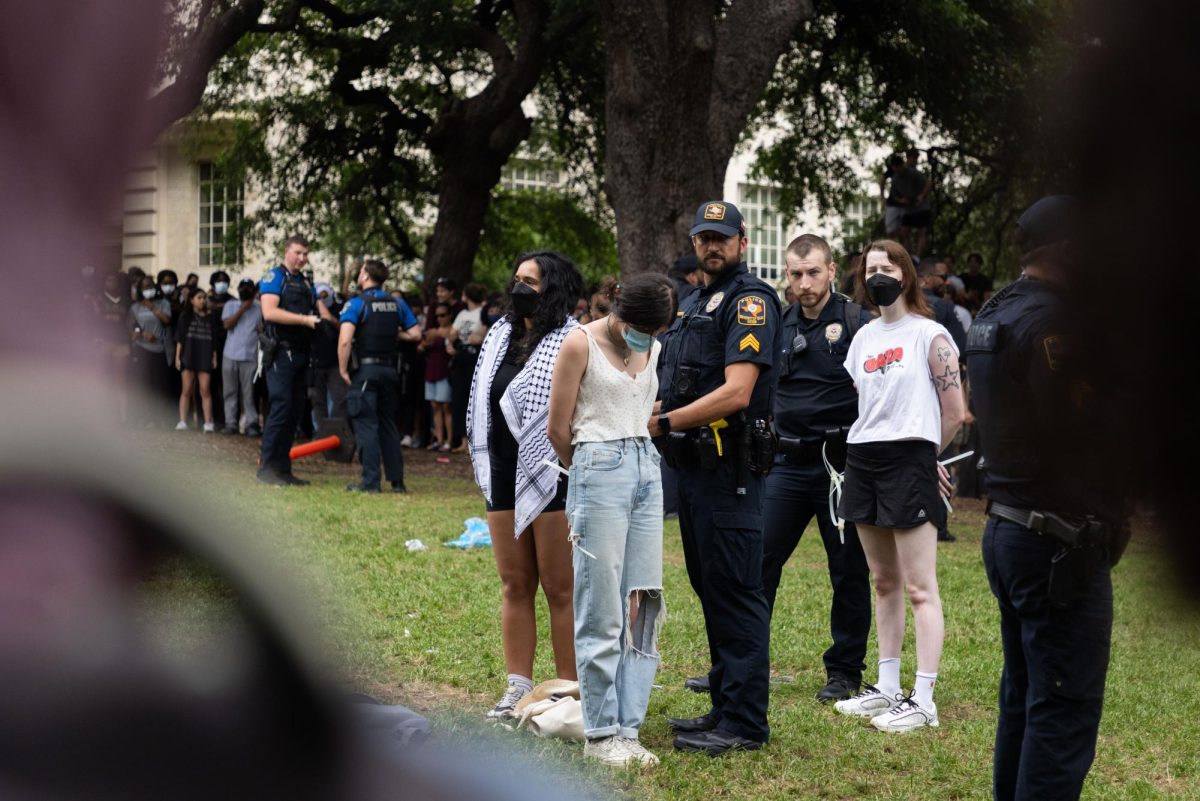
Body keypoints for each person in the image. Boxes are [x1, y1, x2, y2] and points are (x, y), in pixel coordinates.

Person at [969, 196, 1129, 801]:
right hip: (1058, 539)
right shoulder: (1057, 325)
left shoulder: (997, 310)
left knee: (1027, 698)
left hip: (1013, 527)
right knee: (1062, 713)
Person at [652, 200, 781, 756]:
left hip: (731, 471)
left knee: (737, 593)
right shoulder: (692, 302)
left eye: (722, 238)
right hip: (693, 472)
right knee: (712, 588)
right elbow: (676, 382)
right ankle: (725, 706)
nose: (712, 246)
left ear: (742, 242)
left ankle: (747, 724)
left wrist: (660, 422)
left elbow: (737, 392)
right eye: (705, 237)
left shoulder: (751, 302)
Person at [833, 239, 964, 732]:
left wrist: (927, 454)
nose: (878, 276)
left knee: (919, 587)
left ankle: (923, 699)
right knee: (883, 582)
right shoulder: (864, 337)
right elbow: (867, 406)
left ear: (906, 274)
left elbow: (954, 413)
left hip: (909, 460)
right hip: (862, 457)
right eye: (870, 270)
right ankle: (887, 688)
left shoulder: (931, 336)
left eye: (887, 267)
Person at [547, 273, 676, 768]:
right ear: (619, 309)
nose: (647, 337)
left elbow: (640, 410)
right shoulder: (579, 344)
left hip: (646, 466)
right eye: (641, 326)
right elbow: (559, 428)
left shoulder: (655, 348)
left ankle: (630, 725)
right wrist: (591, 469)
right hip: (596, 466)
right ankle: (601, 732)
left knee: (643, 600)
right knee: (601, 604)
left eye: (656, 329)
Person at [466, 251, 582, 720]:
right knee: (515, 583)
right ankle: (518, 687)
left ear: (553, 288)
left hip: (551, 471)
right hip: (501, 469)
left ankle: (568, 691)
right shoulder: (499, 335)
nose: (519, 289)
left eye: (530, 282)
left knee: (560, 588)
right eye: (516, 279)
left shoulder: (573, 339)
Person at [763, 234, 874, 704]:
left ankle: (845, 671)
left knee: (848, 570)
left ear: (832, 270)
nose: (804, 283)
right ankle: (742, 663)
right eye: (795, 274)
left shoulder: (857, 324)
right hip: (786, 464)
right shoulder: (777, 324)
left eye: (813, 272)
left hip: (841, 466)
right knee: (757, 563)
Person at [257, 235, 338, 486]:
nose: (302, 258)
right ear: (287, 251)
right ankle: (267, 469)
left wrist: (337, 322)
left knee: (294, 412)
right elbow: (269, 312)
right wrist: (305, 320)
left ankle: (283, 469)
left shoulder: (304, 282)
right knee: (280, 409)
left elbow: (321, 311)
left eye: (306, 254)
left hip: (303, 354)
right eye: (298, 253)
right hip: (281, 353)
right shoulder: (275, 277)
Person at [338, 259, 421, 493]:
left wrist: (343, 370)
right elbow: (415, 334)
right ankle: (397, 482)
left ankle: (370, 482)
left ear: (365, 276)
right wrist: (393, 334)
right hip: (389, 372)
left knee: (366, 426)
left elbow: (345, 340)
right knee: (388, 426)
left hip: (365, 371)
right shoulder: (397, 304)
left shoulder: (356, 303)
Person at [127, 275, 173, 427]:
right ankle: (143, 417)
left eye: (150, 286)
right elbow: (130, 328)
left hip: (160, 349)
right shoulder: (135, 307)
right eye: (145, 287)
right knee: (144, 384)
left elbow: (167, 320)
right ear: (140, 290)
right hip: (142, 349)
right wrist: (140, 333)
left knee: (158, 385)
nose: (148, 290)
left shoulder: (163, 303)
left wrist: (152, 307)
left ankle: (158, 418)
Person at [174, 287, 218, 432]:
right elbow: (180, 339)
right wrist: (178, 357)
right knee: (186, 389)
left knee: (205, 390)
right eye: (199, 297)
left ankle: (208, 423)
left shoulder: (211, 317)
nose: (202, 300)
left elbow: (214, 340)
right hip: (188, 355)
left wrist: (214, 357)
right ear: (192, 300)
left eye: (204, 297)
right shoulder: (185, 317)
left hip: (204, 356)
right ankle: (182, 421)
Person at [222, 279, 262, 435]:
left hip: (250, 356)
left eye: (248, 288)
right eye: (242, 287)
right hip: (230, 354)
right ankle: (230, 423)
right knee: (230, 391)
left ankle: (251, 423)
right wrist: (242, 310)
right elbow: (227, 325)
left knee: (249, 393)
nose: (245, 290)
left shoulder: (259, 308)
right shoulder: (230, 305)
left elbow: (262, 328)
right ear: (238, 289)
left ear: (253, 291)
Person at [449, 283, 486, 452]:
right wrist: (455, 343)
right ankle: (462, 440)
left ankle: (474, 441)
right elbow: (452, 333)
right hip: (462, 356)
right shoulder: (462, 314)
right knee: (459, 399)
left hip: (475, 357)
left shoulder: (483, 313)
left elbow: (483, 335)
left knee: (475, 398)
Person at [309, 282, 349, 429]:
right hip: (315, 362)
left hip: (335, 362)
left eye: (325, 296)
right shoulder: (310, 309)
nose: (322, 299)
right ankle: (320, 431)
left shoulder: (340, 308)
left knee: (339, 400)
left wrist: (328, 316)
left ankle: (337, 431)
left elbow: (344, 328)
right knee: (317, 401)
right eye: (320, 297)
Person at [420, 303, 454, 451]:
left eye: (443, 315)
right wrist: (425, 343)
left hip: (444, 371)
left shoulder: (452, 329)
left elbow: (452, 337)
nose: (439, 318)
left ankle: (449, 440)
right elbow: (421, 347)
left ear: (449, 316)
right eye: (437, 316)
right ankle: (439, 440)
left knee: (446, 406)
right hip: (431, 370)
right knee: (435, 406)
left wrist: (437, 334)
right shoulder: (432, 332)